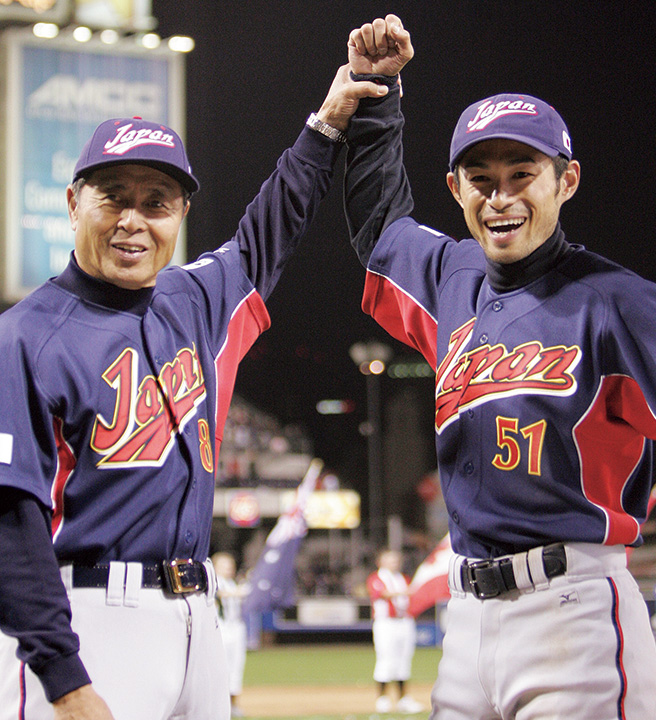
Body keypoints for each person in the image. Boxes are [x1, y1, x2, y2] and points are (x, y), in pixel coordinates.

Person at [342, 15, 656, 719]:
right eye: (480, 179)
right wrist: (379, 93)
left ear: (566, 180)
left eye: (523, 174)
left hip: (572, 611)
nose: (500, 196)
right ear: (454, 188)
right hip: (467, 619)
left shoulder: (618, 302)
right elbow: (377, 224)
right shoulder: (448, 278)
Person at [0, 57, 390, 719]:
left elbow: (272, 223)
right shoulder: (24, 337)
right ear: (73, 204)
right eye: (113, 196)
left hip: (197, 619)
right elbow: (10, 522)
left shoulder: (198, 299)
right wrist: (65, 679)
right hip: (89, 622)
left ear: (179, 214)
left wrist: (325, 126)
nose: (133, 219)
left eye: (156, 202)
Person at [366, 549, 424, 714]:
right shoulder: (377, 578)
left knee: (404, 659)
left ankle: (403, 698)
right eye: (390, 560)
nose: (394, 563)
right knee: (385, 658)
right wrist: (405, 592)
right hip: (386, 623)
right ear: (381, 562)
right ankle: (382, 698)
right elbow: (380, 593)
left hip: (404, 622)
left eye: (396, 560)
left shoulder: (402, 578)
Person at [212, 552, 248, 718]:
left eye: (230, 565)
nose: (229, 568)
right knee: (222, 667)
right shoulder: (214, 582)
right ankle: (220, 704)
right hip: (222, 628)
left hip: (236, 627)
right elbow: (219, 594)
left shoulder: (232, 583)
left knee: (236, 666)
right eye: (225, 565)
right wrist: (241, 591)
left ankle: (233, 703)